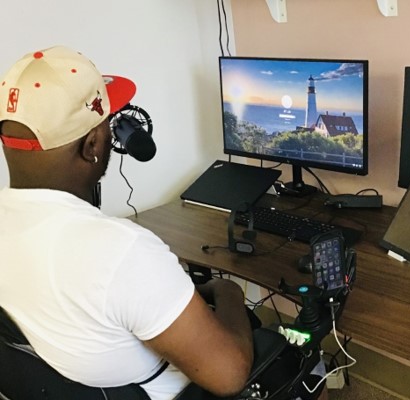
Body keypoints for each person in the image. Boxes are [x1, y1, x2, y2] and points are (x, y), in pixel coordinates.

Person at [0, 46, 253, 400]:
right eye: (107, 124)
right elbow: (231, 375)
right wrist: (229, 293)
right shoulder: (121, 252)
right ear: (92, 145)